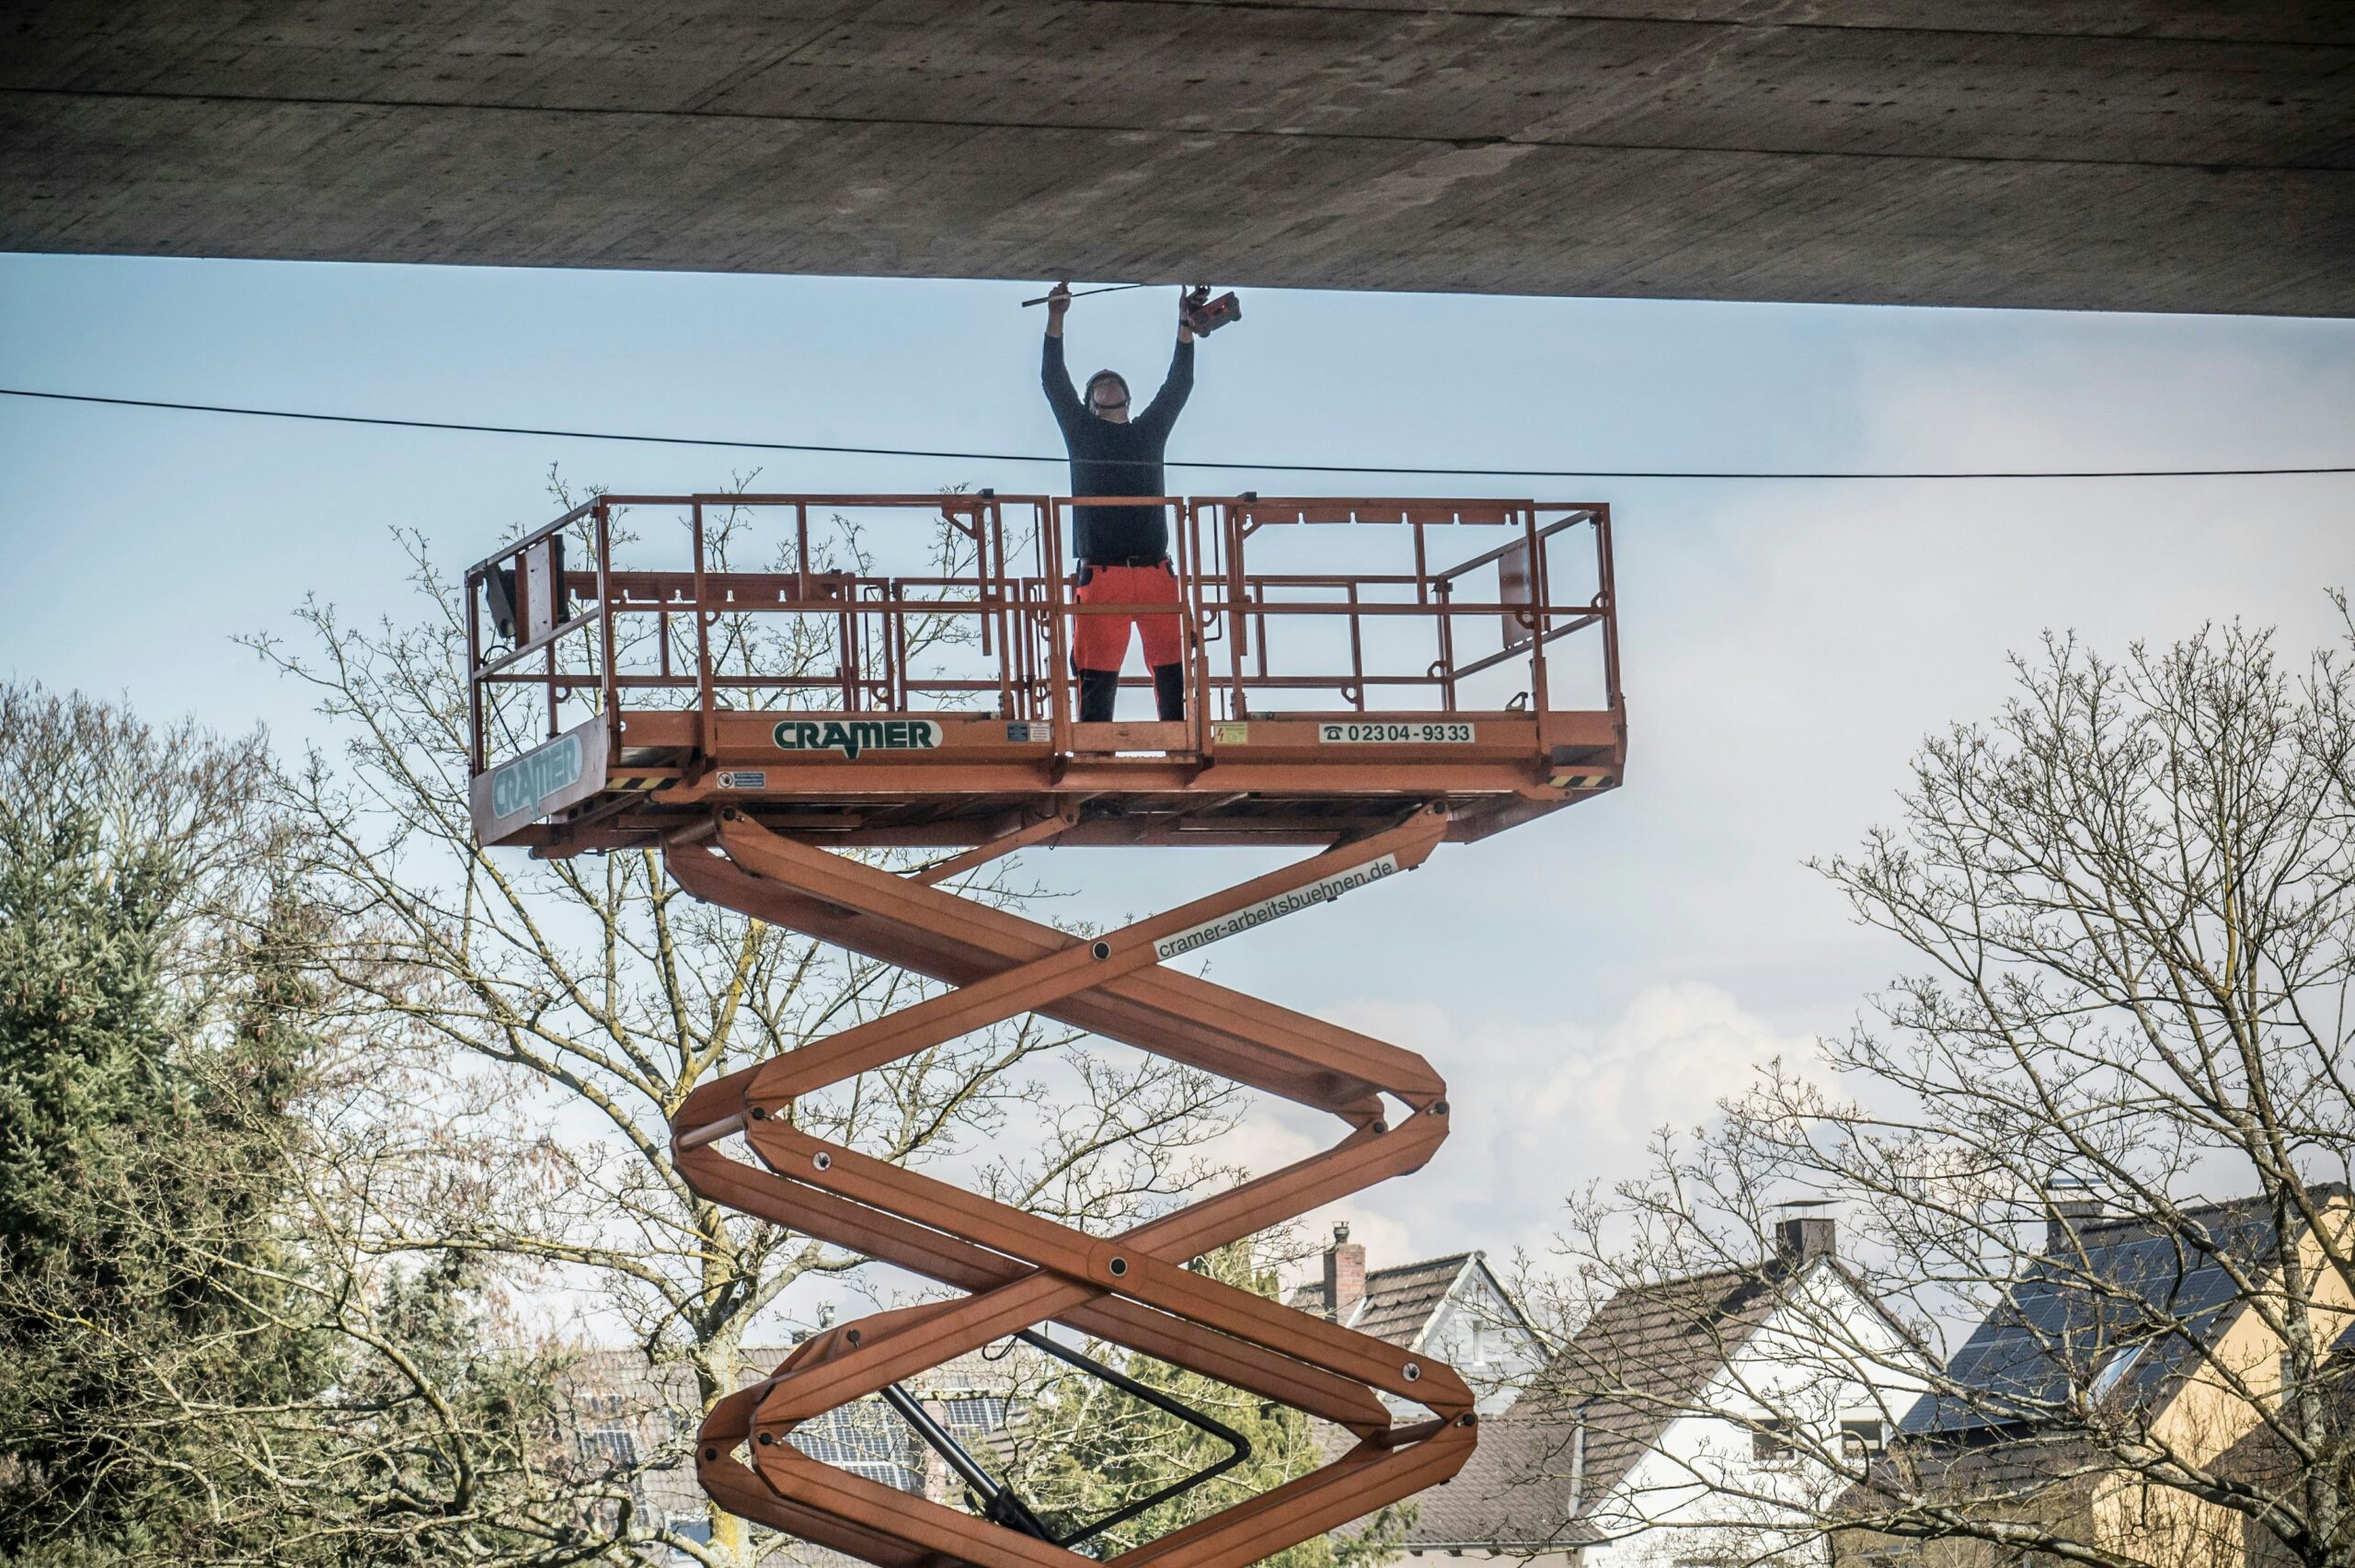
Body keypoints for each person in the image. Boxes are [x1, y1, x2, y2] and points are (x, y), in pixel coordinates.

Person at [1041, 281, 1196, 723]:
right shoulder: (1082, 433)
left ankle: (1179, 744)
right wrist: (1056, 318)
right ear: (1090, 404)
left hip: (1154, 573)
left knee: (1171, 667)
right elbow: (1053, 381)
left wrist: (1185, 326)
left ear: (1127, 399)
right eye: (1099, 385)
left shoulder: (1148, 432)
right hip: (1102, 575)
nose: (1107, 384)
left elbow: (1179, 384)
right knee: (1096, 673)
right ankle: (1094, 756)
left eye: (1114, 383)